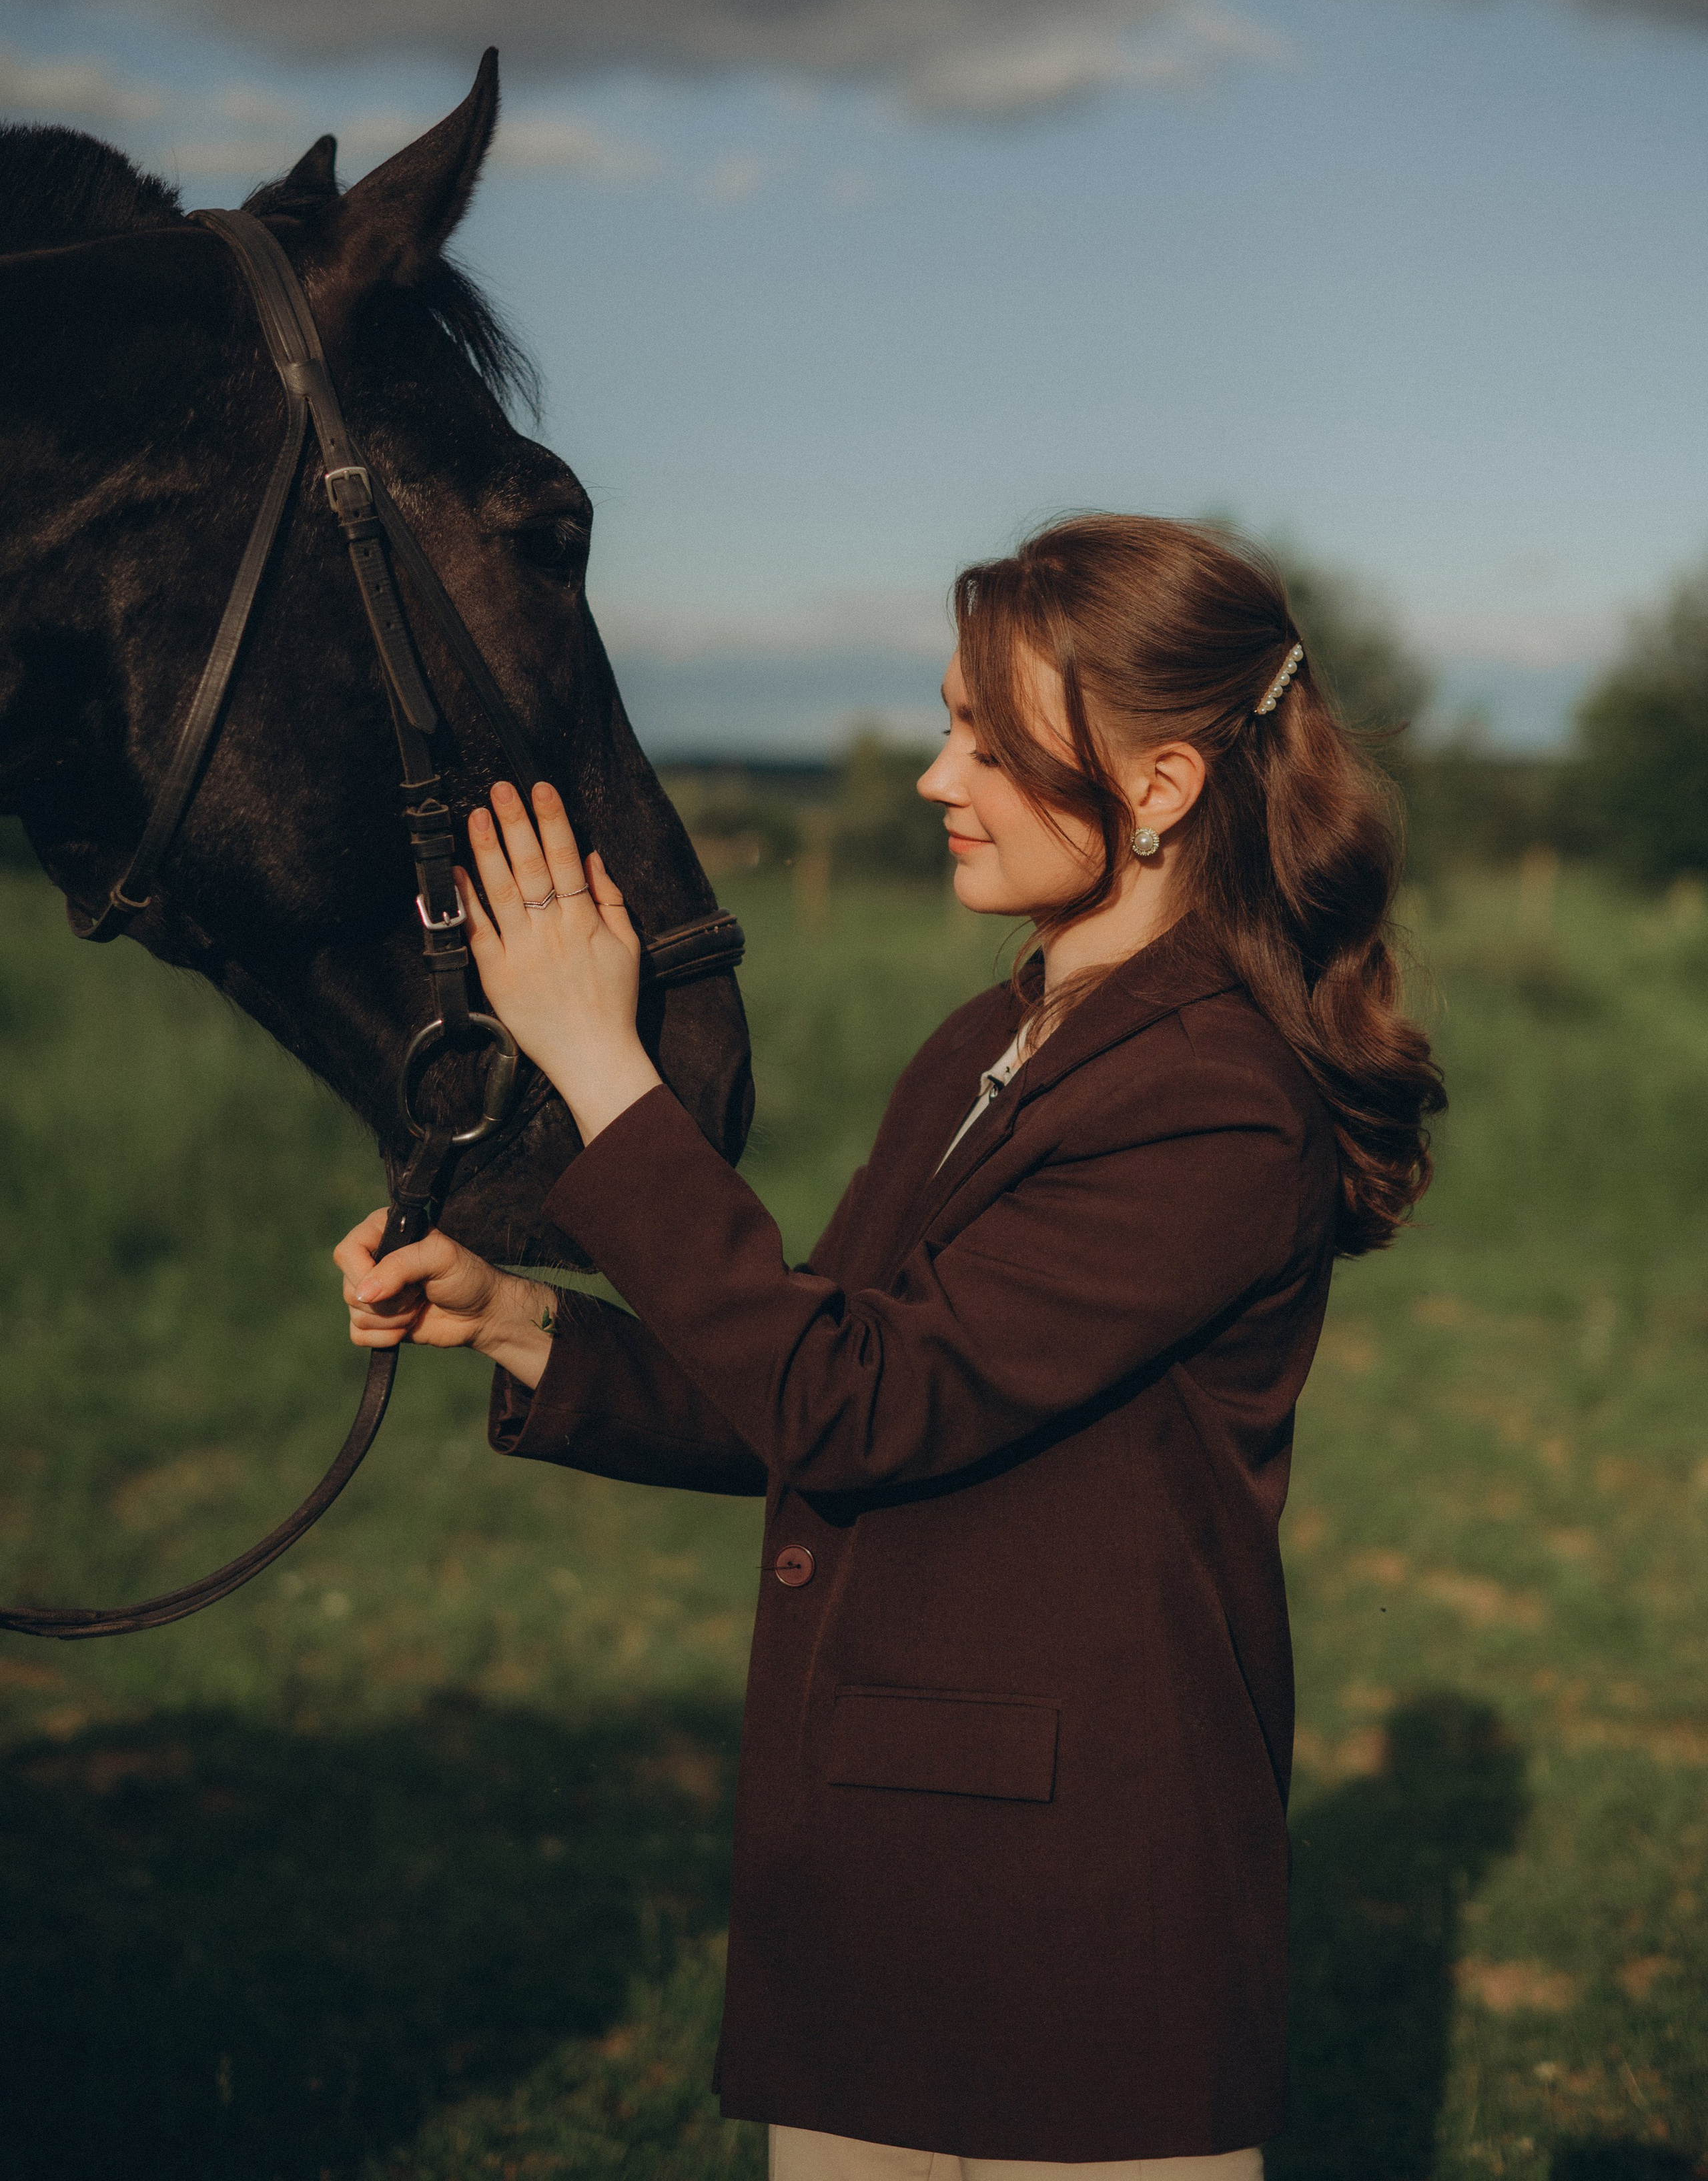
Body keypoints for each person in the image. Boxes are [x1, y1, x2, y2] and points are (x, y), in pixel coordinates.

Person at [335, 513, 1444, 2181]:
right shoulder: (989, 1037)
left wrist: (600, 1071)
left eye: (988, 743)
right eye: (947, 722)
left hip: (1085, 1909)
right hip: (875, 1868)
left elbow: (855, 1407)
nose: (936, 773)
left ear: (1155, 790)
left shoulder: (1216, 1099)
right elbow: (808, 1369)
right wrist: (523, 1322)